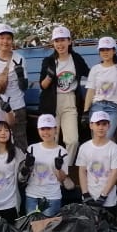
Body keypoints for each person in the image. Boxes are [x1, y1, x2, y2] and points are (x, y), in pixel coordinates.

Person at [39, 25, 90, 158]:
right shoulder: (48, 61)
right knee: (51, 139)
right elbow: (43, 86)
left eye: (63, 40)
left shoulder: (76, 59)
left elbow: (90, 74)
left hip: (70, 100)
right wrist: (49, 76)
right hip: (51, 102)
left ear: (69, 41)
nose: (60, 44)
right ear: (53, 43)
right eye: (57, 40)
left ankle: (66, 165)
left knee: (72, 140)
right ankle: (52, 166)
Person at [0, 25, 29, 149]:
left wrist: (20, 74)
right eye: (2, 38)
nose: (5, 41)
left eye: (8, 38)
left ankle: (23, 161)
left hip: (16, 106)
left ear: (12, 41)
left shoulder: (19, 58)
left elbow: (24, 87)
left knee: (20, 141)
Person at [22, 114, 71, 217]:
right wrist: (27, 166)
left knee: (48, 226)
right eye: (42, 129)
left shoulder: (62, 151)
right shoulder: (32, 148)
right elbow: (25, 175)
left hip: (52, 196)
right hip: (32, 195)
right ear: (38, 130)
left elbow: (62, 179)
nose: (46, 132)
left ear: (55, 129)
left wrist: (58, 168)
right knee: (32, 225)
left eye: (49, 128)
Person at [75, 111, 117, 210]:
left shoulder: (114, 148)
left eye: (104, 124)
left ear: (109, 126)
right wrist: (85, 194)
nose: (101, 127)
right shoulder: (84, 147)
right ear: (91, 125)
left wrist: (103, 196)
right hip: (89, 198)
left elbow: (115, 173)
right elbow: (82, 171)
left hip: (109, 201)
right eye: (97, 124)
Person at [83, 37, 117, 139]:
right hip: (97, 106)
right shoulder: (95, 69)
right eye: (102, 50)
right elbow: (90, 91)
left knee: (107, 137)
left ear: (114, 51)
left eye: (108, 49)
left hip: (114, 108)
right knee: (97, 138)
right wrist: (85, 112)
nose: (105, 52)